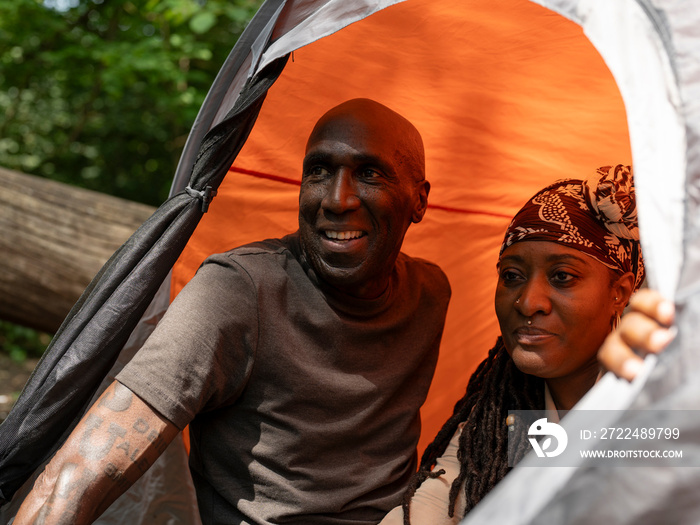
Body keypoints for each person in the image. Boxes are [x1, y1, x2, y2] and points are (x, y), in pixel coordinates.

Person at [13, 98, 452, 525]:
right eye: (318, 171)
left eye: (369, 174)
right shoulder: (239, 289)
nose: (336, 200)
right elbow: (76, 474)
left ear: (419, 200)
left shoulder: (430, 293)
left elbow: (517, 423)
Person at [379, 164, 651, 525]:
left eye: (562, 277)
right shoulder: (497, 419)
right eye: (512, 276)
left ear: (619, 292)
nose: (527, 302)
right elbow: (434, 500)